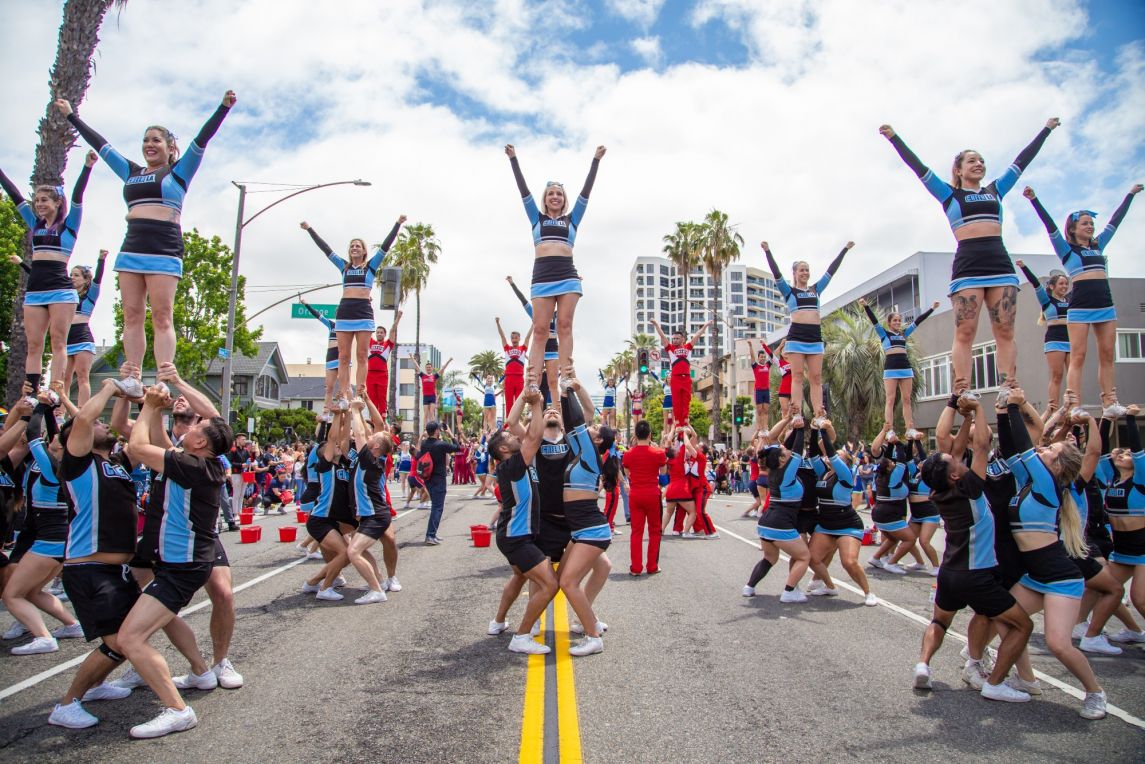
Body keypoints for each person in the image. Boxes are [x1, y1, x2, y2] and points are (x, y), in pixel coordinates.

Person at [58, 93, 237, 396]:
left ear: (170, 148)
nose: (149, 145)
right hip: (132, 247)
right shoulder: (131, 172)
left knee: (162, 315)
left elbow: (202, 139)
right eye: (145, 141)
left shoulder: (179, 172)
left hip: (164, 248)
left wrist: (223, 107)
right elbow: (102, 146)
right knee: (132, 314)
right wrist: (71, 116)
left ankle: (164, 379)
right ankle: (133, 376)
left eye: (156, 140)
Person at [880, 118, 1060, 393]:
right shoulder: (948, 195)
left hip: (1000, 264)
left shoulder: (996, 190)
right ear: (959, 169)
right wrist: (894, 138)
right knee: (965, 331)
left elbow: (1022, 161)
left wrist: (1045, 130)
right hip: (968, 267)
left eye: (981, 161)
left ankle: (1008, 385)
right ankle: (962, 387)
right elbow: (918, 168)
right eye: (972, 161)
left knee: (1005, 332)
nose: (978, 164)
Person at [118, 384, 235, 738]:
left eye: (196, 427)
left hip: (184, 565)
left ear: (200, 442)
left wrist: (149, 406)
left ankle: (177, 710)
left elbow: (136, 447)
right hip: (179, 561)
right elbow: (167, 438)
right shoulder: (196, 462)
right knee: (160, 621)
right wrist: (163, 401)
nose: (190, 427)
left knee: (131, 638)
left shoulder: (191, 466)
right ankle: (200, 670)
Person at [912, 394, 1034, 702]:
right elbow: (981, 445)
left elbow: (957, 448)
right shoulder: (971, 487)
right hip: (976, 574)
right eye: (954, 461)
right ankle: (995, 683)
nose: (956, 455)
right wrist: (978, 408)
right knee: (1023, 625)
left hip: (950, 573)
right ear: (954, 474)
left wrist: (964, 418)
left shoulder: (940, 493)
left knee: (939, 621)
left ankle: (923, 664)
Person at [1002, 386, 1107, 720]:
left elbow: (1023, 444)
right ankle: (1027, 679)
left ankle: (1096, 693)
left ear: (1058, 464)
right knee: (1007, 622)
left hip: (1060, 577)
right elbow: (1010, 450)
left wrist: (1018, 407)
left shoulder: (1049, 483)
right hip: (1034, 575)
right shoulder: (1029, 481)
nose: (1043, 450)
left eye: (1050, 450)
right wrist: (1004, 411)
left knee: (1059, 644)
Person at [47, 381, 142, 730]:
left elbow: (118, 423)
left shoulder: (115, 463)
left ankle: (97, 685)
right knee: (119, 641)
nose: (102, 424)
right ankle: (67, 703)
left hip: (117, 571)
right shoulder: (78, 464)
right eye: (96, 424)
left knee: (133, 634)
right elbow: (86, 420)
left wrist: (128, 397)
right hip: (89, 569)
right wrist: (108, 386)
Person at [1022, 184, 1142, 413]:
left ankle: (1109, 402)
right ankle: (1074, 404)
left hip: (1105, 305)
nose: (1090, 227)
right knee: (1078, 356)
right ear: (1073, 229)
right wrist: (1034, 200)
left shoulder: (1098, 245)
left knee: (1107, 354)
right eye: (1085, 223)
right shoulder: (1067, 250)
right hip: (1080, 307)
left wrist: (1129, 195)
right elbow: (1050, 226)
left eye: (1092, 223)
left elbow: (1115, 222)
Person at [506, 144, 605, 397]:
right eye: (550, 193)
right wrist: (514, 159)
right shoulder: (536, 218)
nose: (554, 197)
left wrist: (595, 160)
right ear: (545, 198)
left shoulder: (573, 218)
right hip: (542, 276)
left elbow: (587, 192)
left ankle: (567, 376)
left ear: (564, 199)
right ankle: (531, 380)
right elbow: (523, 190)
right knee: (540, 329)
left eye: (558, 194)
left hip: (567, 275)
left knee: (564, 325)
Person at [0, 149, 95, 394]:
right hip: (36, 291)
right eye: (37, 200)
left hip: (60, 292)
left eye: (44, 200)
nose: (39, 204)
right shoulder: (35, 225)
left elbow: (78, 196)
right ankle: (31, 391)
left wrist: (86, 168)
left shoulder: (68, 227)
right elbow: (14, 195)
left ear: (56, 203)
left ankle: (55, 389)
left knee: (58, 342)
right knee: (34, 345)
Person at [3, 393, 82, 655]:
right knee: (34, 591)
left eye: (58, 438)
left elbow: (35, 434)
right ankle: (71, 624)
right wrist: (50, 410)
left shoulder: (51, 466)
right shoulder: (63, 461)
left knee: (12, 594)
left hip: (49, 540)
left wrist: (38, 408)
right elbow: (54, 431)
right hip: (59, 540)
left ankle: (44, 636)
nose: (55, 436)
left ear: (61, 446)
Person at [300, 214, 405, 408]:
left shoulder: (371, 267)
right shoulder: (343, 267)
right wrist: (309, 229)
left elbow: (385, 246)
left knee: (362, 354)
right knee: (343, 356)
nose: (354, 248)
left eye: (358, 245)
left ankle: (360, 391)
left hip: (363, 313)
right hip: (345, 312)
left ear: (364, 250)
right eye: (352, 246)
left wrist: (397, 224)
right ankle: (343, 393)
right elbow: (325, 249)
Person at [488, 386, 559, 654]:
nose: (517, 436)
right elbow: (535, 435)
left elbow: (512, 423)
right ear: (505, 448)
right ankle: (521, 636)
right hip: (516, 538)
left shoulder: (513, 462)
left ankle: (497, 622)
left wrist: (524, 397)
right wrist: (537, 403)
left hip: (514, 535)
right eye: (510, 437)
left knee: (518, 576)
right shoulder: (515, 463)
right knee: (550, 584)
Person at [744, 414, 835, 602]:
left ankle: (749, 587)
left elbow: (788, 449)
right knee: (804, 557)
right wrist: (800, 429)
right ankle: (789, 591)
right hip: (780, 524)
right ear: (782, 461)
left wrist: (794, 427)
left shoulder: (775, 470)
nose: (787, 453)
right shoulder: (787, 472)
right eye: (784, 455)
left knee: (769, 559)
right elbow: (795, 450)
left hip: (766, 524)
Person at [557, 371, 614, 656]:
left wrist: (568, 391)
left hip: (591, 530)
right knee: (603, 567)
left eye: (597, 430)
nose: (593, 428)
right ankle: (587, 617)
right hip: (583, 529)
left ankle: (593, 635)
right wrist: (569, 391)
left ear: (600, 441)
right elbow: (573, 424)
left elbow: (577, 420)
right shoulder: (582, 452)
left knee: (567, 582)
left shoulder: (591, 456)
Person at [762, 240, 852, 420]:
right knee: (797, 377)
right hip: (796, 337)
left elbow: (831, 271)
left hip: (814, 337)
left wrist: (845, 250)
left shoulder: (816, 289)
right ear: (795, 273)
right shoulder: (789, 292)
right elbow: (776, 272)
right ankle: (796, 413)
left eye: (807, 270)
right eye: (802, 269)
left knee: (816, 377)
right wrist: (768, 251)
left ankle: (819, 413)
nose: (805, 272)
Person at [806, 419, 878, 606]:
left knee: (849, 562)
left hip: (847, 524)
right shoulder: (823, 472)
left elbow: (829, 452)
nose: (830, 457)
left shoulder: (845, 475)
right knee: (811, 558)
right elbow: (813, 453)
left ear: (844, 462)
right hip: (826, 524)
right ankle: (830, 586)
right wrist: (814, 430)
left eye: (837, 457)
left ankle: (868, 593)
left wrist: (823, 430)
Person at [859, 298, 938, 437]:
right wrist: (866, 306)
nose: (897, 322)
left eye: (899, 320)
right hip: (891, 369)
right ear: (889, 323)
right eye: (894, 320)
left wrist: (932, 308)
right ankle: (889, 429)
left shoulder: (904, 334)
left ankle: (910, 428)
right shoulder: (884, 334)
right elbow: (874, 321)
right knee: (890, 399)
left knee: (906, 399)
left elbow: (918, 321)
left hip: (905, 368)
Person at [1014, 259, 1071, 410]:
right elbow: (1035, 284)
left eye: (1066, 283)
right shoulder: (1047, 300)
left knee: (1072, 375)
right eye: (1061, 284)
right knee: (1057, 375)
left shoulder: (1071, 300)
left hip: (1072, 339)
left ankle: (1073, 406)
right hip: (1055, 340)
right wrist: (1024, 267)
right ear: (1052, 286)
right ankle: (1053, 407)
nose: (1064, 286)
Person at [63, 249, 108, 405]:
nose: (72, 278)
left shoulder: (90, 296)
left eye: (76, 275)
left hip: (82, 339)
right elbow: (45, 281)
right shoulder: (65, 294)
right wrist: (22, 263)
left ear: (85, 279)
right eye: (71, 275)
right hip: (65, 340)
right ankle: (60, 411)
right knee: (64, 378)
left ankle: (82, 412)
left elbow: (98, 280)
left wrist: (101, 260)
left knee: (82, 377)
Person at [623, 420, 667, 576]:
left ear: (635, 434)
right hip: (652, 494)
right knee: (654, 531)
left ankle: (636, 568)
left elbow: (627, 474)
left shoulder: (628, 454)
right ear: (650, 435)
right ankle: (652, 566)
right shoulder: (658, 453)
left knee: (636, 532)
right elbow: (663, 473)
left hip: (635, 494)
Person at [650, 318, 710, 427]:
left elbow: (697, 335)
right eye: (673, 339)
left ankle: (685, 422)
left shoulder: (688, 347)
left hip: (686, 378)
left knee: (686, 401)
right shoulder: (670, 348)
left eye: (677, 338)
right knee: (676, 402)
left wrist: (705, 326)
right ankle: (678, 424)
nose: (675, 340)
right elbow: (662, 336)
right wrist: (656, 324)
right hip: (675, 378)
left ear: (683, 339)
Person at [418, 420, 461, 545]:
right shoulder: (440, 444)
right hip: (438, 479)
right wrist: (451, 434)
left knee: (436, 506)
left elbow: (419, 455)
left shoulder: (425, 444)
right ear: (437, 431)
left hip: (428, 478)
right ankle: (430, 535)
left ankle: (432, 533)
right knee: (437, 508)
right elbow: (457, 448)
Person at [299, 297, 340, 414]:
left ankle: (347, 406)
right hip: (331, 356)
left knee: (345, 387)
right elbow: (317, 315)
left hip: (343, 356)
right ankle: (326, 411)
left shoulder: (349, 327)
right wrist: (306, 304)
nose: (339, 315)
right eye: (337, 313)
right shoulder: (331, 324)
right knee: (329, 387)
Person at [365, 311, 402, 417]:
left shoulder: (388, 344)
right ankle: (373, 421)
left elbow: (393, 330)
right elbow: (367, 328)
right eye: (378, 332)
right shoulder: (370, 342)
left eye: (381, 332)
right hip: (370, 374)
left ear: (384, 334)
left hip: (382, 375)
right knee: (372, 399)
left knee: (381, 398)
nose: (379, 334)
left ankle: (382, 419)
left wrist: (397, 319)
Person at [496, 316, 532, 419]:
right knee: (509, 403)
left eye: (516, 337)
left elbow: (528, 337)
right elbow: (502, 336)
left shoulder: (523, 348)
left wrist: (533, 325)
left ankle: (517, 421)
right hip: (509, 378)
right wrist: (498, 324)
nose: (514, 339)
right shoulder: (507, 348)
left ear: (519, 338)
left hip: (519, 378)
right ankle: (508, 424)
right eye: (512, 338)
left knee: (519, 402)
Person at [412, 357, 452, 426]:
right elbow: (416, 366)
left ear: (432, 368)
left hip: (432, 396)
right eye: (427, 367)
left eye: (429, 367)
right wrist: (411, 357)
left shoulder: (434, 376)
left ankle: (433, 427)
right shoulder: (422, 375)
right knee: (426, 414)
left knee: (431, 412)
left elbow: (443, 368)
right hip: (425, 396)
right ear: (425, 368)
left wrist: (449, 360)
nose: (428, 368)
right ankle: (425, 428)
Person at [750, 339, 779, 427]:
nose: (762, 358)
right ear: (758, 358)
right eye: (761, 357)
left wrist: (780, 346)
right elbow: (752, 357)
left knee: (766, 410)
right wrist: (750, 346)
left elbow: (774, 355)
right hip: (758, 390)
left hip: (766, 390)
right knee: (759, 410)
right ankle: (760, 428)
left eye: (764, 357)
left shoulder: (767, 365)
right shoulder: (755, 366)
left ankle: (765, 427)